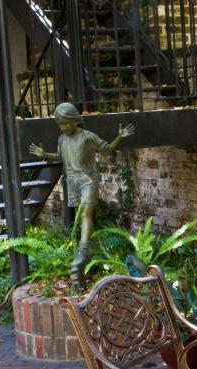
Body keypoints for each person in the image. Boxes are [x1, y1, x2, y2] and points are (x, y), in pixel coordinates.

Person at [30, 102, 134, 286]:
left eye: (66, 123)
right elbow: (61, 157)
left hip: (87, 180)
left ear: (75, 120)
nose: (64, 127)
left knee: (86, 213)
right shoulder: (62, 139)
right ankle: (92, 248)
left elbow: (107, 149)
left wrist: (120, 137)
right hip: (72, 180)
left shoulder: (87, 137)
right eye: (61, 124)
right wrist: (45, 154)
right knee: (81, 217)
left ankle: (83, 249)